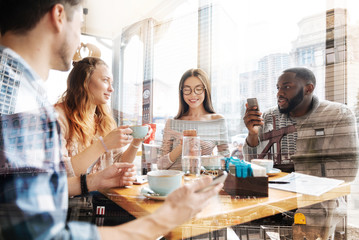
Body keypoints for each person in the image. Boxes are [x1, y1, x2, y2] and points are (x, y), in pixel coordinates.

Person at [0, 1, 222, 239]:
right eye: (81, 24)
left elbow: (34, 199)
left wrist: (101, 176)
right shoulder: (23, 103)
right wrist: (161, 221)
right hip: (84, 208)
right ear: (59, 15)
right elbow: (36, 232)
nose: (80, 42)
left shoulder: (24, 91)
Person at [242, 67, 358, 239]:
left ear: (308, 88)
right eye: (278, 88)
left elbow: (347, 171)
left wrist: (298, 179)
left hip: (316, 199)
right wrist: (252, 134)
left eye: (286, 87)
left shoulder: (337, 114)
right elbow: (253, 165)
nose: (279, 93)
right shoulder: (267, 116)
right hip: (272, 197)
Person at [55, 57, 150, 177]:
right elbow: (61, 173)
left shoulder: (105, 120)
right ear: (84, 82)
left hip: (99, 193)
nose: (111, 89)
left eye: (112, 83)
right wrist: (103, 144)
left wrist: (136, 141)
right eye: (105, 80)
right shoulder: (58, 118)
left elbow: (117, 163)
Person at [157, 68, 230, 170]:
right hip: (174, 182)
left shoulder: (218, 121)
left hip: (202, 181)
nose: (193, 94)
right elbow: (160, 166)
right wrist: (182, 146)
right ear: (182, 92)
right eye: (187, 89)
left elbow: (225, 161)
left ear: (206, 90)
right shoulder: (171, 123)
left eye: (198, 89)